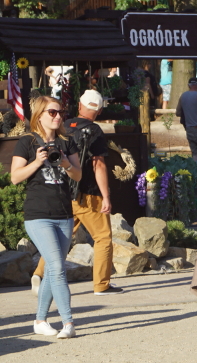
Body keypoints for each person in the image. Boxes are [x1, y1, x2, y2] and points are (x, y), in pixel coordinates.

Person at [32, 90, 124, 297]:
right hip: (88, 194)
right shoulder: (94, 131)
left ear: (80, 106)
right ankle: (101, 285)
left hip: (64, 191)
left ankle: (39, 274)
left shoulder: (63, 126)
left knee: (59, 239)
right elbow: (98, 164)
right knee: (103, 238)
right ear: (99, 111)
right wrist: (106, 196)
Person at [10, 95, 83, 338]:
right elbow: (15, 177)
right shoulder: (27, 142)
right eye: (52, 112)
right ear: (39, 115)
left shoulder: (67, 142)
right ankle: (68, 323)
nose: (58, 116)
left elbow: (78, 175)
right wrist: (37, 162)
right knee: (57, 267)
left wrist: (65, 164)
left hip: (64, 214)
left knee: (53, 269)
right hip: (38, 215)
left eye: (60, 112)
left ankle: (40, 321)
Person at [176, 77, 197, 162]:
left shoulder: (183, 96)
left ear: (188, 85)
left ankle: (196, 168)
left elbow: (178, 113)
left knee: (195, 154)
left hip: (189, 129)